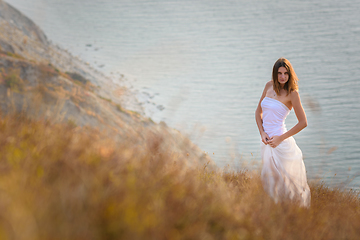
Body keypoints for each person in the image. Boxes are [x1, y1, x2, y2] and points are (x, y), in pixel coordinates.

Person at [255, 57, 311, 207]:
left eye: (286, 73)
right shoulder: (268, 86)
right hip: (266, 142)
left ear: (289, 74)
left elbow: (303, 122)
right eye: (279, 73)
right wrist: (262, 133)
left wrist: (280, 138)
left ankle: (291, 215)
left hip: (281, 144)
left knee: (287, 185)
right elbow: (258, 112)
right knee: (269, 182)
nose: (282, 76)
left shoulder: (293, 94)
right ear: (275, 73)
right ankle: (273, 214)